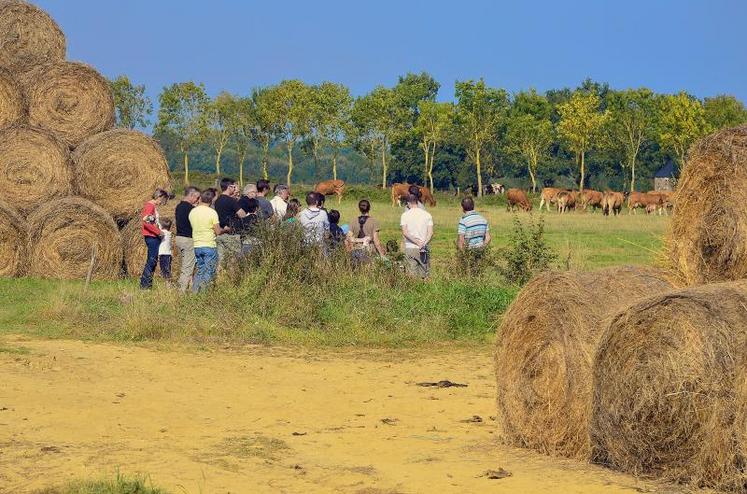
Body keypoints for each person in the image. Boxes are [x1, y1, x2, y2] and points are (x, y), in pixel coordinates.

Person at [189, 189, 227, 292]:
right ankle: (204, 294)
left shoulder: (193, 211)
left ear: (200, 198)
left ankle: (195, 292)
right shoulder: (212, 212)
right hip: (209, 244)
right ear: (212, 200)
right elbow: (218, 231)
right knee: (209, 271)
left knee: (200, 270)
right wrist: (226, 230)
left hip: (197, 244)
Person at [139, 188, 170, 289]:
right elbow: (146, 223)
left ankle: (148, 285)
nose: (162, 203)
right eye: (163, 200)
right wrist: (159, 232)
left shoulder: (152, 206)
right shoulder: (150, 206)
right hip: (152, 237)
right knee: (151, 260)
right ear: (159, 197)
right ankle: (144, 286)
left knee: (153, 260)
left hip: (153, 236)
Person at [400, 193, 434, 278]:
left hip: (410, 247)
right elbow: (430, 233)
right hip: (423, 248)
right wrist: (423, 243)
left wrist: (416, 242)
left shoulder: (405, 215)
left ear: (408, 203)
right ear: (417, 202)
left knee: (411, 276)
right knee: (424, 275)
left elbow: (405, 232)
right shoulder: (427, 215)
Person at [214, 178, 246, 266]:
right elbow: (242, 214)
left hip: (221, 232)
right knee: (233, 261)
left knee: (221, 262)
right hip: (231, 233)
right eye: (234, 187)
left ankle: (220, 278)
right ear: (229, 187)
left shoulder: (217, 200)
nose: (235, 189)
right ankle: (232, 278)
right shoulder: (231, 201)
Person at [174, 186, 200, 292]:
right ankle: (181, 292)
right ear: (191, 195)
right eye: (197, 198)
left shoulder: (179, 206)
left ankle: (186, 288)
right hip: (188, 239)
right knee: (187, 268)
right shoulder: (190, 209)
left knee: (185, 265)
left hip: (179, 238)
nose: (198, 200)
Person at [346, 199, 386, 265]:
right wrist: (382, 255)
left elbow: (349, 238)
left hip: (356, 250)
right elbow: (376, 241)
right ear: (369, 208)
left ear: (359, 208)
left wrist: (359, 240)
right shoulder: (373, 221)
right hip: (369, 250)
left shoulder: (353, 221)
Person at [158, 218, 174, 282]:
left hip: (165, 254)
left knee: (166, 269)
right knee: (165, 269)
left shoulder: (165, 233)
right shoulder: (168, 233)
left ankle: (168, 283)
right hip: (165, 254)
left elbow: (159, 232)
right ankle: (166, 282)